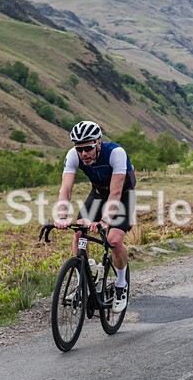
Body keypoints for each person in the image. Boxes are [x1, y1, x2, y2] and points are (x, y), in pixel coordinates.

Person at [54, 120, 136, 314]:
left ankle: (121, 285)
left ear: (98, 143)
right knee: (78, 233)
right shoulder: (73, 155)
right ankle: (84, 279)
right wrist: (62, 215)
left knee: (114, 241)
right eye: (79, 149)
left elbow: (116, 193)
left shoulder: (116, 153)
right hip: (98, 195)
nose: (84, 154)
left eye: (88, 148)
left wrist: (105, 221)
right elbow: (65, 189)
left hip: (123, 197)